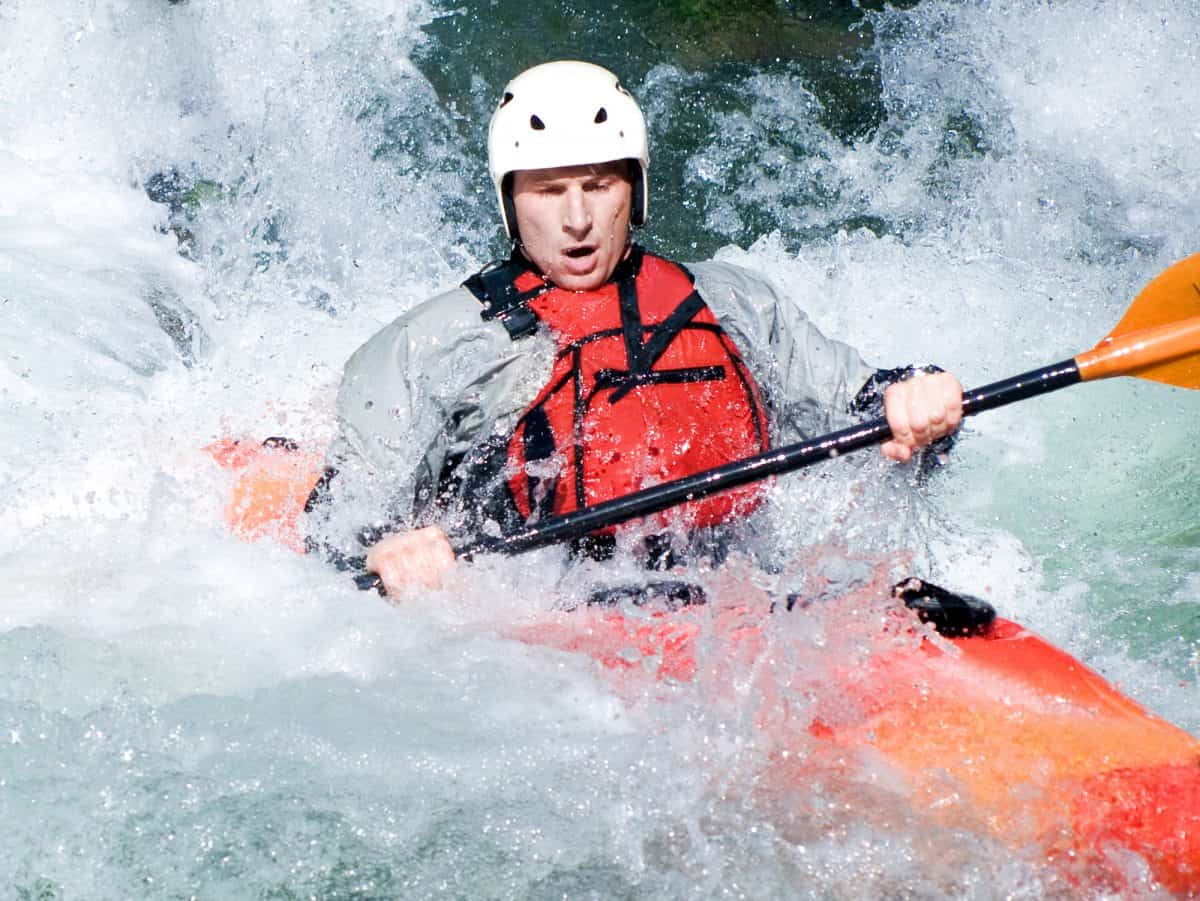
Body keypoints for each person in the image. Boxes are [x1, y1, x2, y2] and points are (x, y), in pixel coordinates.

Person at [305, 60, 963, 598]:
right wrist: (386, 552)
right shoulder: (433, 345)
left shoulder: (732, 304)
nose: (576, 219)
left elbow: (863, 407)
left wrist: (918, 403)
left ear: (635, 190)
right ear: (509, 201)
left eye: (597, 185)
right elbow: (336, 532)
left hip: (738, 590)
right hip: (548, 614)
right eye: (546, 191)